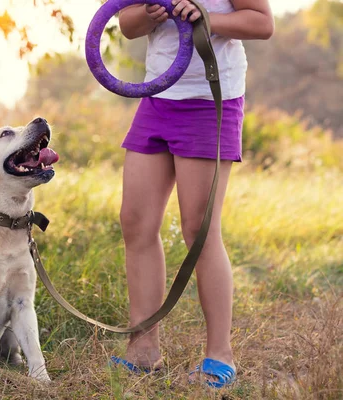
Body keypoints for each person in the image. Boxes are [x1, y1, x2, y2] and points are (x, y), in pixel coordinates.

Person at [110, 0, 274, 388]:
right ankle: (144, 349)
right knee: (135, 221)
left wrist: (206, 17)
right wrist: (148, 14)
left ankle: (220, 356)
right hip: (157, 96)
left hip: (208, 99)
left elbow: (262, 23)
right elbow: (126, 25)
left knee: (199, 230)